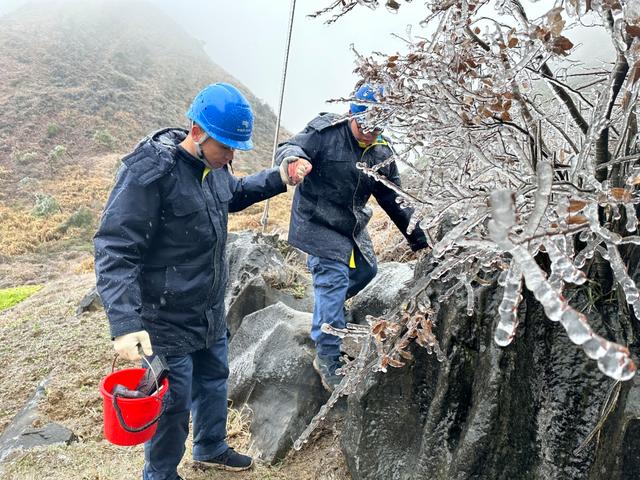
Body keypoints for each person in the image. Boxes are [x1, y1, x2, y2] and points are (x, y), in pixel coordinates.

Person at [94, 82, 311, 480]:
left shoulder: (213, 169)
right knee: (173, 403)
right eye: (225, 147)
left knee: (214, 379)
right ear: (198, 133)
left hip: (209, 306)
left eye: (234, 149)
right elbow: (115, 248)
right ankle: (160, 474)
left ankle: (210, 445)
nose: (231, 157)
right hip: (164, 315)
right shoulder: (151, 174)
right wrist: (124, 324)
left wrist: (280, 178)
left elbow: (236, 192)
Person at [275, 84, 429, 392]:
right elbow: (289, 147)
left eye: (377, 127)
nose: (369, 133)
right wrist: (294, 161)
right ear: (351, 114)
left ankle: (328, 308)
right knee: (333, 278)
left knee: (367, 271)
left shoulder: (382, 152)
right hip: (317, 221)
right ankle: (328, 358)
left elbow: (394, 200)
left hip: (350, 225)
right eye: (364, 125)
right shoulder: (325, 132)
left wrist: (419, 241)